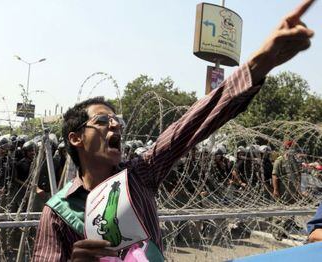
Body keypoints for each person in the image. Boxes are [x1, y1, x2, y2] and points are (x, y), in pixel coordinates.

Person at [33, 1, 316, 261]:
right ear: (75, 137)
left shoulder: (139, 176)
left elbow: (190, 125)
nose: (116, 124)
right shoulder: (57, 213)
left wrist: (259, 63)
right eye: (103, 121)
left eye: (117, 119)